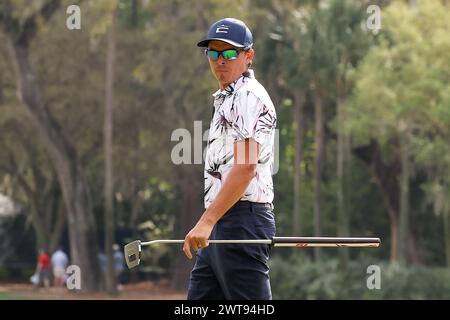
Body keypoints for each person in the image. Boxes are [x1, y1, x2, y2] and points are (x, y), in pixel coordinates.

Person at [184, 18, 277, 300]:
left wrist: (206, 222)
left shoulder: (248, 97)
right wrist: (211, 221)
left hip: (241, 223)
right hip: (223, 221)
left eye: (229, 53)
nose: (220, 60)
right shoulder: (228, 97)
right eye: (213, 52)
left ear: (248, 56)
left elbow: (246, 167)